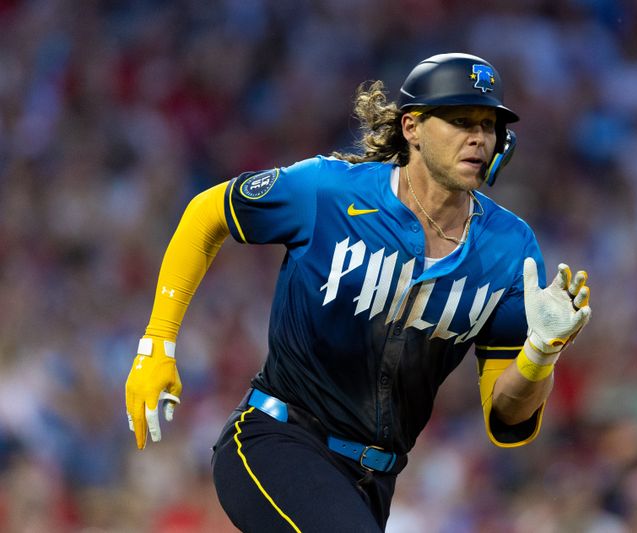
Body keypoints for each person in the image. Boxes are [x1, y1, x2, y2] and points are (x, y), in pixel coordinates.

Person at [125, 52, 592, 532]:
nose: (478, 137)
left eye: (489, 125)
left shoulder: (510, 249)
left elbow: (505, 415)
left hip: (373, 482)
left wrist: (541, 350)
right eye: (459, 120)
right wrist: (157, 344)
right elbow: (209, 213)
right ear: (412, 127)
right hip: (276, 438)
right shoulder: (329, 191)